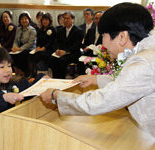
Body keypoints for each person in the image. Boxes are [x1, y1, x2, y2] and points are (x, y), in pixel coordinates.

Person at [40, 2, 155, 138]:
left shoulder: (143, 62)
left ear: (122, 37)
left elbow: (102, 101)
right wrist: (95, 79)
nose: (103, 44)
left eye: (104, 36)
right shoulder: (147, 53)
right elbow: (129, 83)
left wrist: (56, 95)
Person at [0, 46, 46, 150]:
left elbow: (28, 89)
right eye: (2, 67)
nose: (8, 70)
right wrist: (3, 98)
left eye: (9, 65)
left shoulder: (12, 86)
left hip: (13, 139)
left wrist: (41, 80)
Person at [48, 11, 84, 79]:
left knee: (62, 60)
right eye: (64, 18)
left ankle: (61, 78)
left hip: (73, 53)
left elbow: (76, 46)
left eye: (68, 18)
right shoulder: (61, 30)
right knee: (52, 59)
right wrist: (57, 49)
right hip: (62, 52)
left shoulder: (79, 31)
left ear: (73, 19)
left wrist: (65, 51)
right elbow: (57, 42)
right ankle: (56, 78)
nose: (65, 20)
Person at [29, 13, 57, 77]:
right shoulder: (40, 30)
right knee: (30, 55)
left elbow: (51, 42)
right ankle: (32, 73)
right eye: (43, 20)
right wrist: (38, 47)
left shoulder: (53, 29)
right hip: (41, 49)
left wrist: (42, 48)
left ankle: (44, 71)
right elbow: (38, 41)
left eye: (46, 20)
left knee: (38, 55)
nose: (44, 21)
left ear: (50, 20)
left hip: (49, 49)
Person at [77, 11, 104, 75]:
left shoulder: (107, 32)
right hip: (89, 54)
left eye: (100, 18)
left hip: (100, 55)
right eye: (96, 18)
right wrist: (87, 47)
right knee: (79, 61)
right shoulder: (90, 31)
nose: (98, 20)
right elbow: (84, 44)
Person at [10, 12, 36, 77]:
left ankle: (22, 73)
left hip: (29, 49)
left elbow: (31, 43)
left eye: (25, 19)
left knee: (22, 55)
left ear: (28, 20)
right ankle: (16, 71)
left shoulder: (32, 30)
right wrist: (14, 47)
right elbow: (15, 40)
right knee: (11, 55)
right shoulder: (18, 29)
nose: (24, 20)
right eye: (22, 19)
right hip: (19, 48)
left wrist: (20, 49)